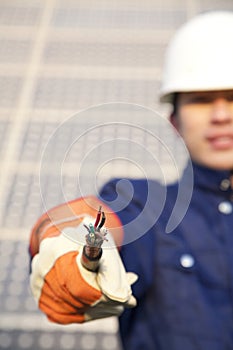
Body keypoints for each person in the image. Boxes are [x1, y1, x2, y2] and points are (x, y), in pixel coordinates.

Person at [29, 11, 233, 350]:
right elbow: (92, 217)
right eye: (200, 99)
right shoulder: (146, 204)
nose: (221, 115)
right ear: (174, 121)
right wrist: (62, 244)